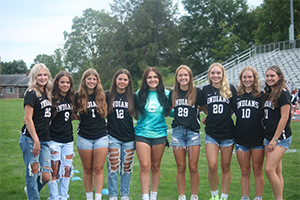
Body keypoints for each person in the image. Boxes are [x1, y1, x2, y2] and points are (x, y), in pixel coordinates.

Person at [200, 63, 236, 200]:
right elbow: (202, 105)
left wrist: (224, 116)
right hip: (211, 133)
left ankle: (224, 196)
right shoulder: (205, 89)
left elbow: (233, 108)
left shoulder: (230, 88)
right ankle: (214, 196)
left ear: (223, 74)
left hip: (227, 133)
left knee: (225, 167)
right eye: (213, 73)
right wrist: (208, 114)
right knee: (212, 165)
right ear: (209, 75)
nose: (215, 76)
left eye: (218, 73)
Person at [135, 67, 171, 200]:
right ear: (145, 80)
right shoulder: (140, 93)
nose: (152, 80)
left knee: (155, 167)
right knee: (145, 166)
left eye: (155, 77)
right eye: (149, 77)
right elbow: (135, 112)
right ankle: (145, 197)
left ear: (159, 79)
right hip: (142, 133)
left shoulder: (166, 94)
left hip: (159, 134)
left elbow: (171, 111)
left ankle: (153, 196)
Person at [169, 65, 204, 200]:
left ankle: (194, 195)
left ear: (190, 77)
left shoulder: (197, 92)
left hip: (192, 133)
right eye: (180, 75)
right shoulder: (173, 93)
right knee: (181, 167)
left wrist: (207, 116)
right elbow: (169, 110)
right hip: (177, 132)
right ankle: (181, 195)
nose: (183, 78)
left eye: (186, 75)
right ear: (177, 78)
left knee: (193, 167)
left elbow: (205, 107)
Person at [19, 63, 53, 200]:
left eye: (45, 75)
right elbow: (27, 119)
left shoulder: (47, 92)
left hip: (45, 139)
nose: (43, 77)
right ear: (34, 77)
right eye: (39, 75)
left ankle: (30, 191)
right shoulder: (31, 93)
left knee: (46, 176)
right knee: (33, 174)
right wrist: (36, 140)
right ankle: (33, 197)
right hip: (30, 139)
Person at [74, 68, 108, 200]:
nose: (91, 81)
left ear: (97, 81)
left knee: (98, 168)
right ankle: (89, 197)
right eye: (89, 78)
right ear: (84, 80)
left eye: (94, 79)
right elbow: (70, 111)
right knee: (87, 169)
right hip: (84, 137)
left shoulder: (102, 95)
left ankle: (98, 197)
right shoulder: (77, 96)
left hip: (101, 135)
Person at [233, 66, 265, 200]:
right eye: (244, 77)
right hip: (241, 138)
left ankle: (258, 197)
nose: (247, 80)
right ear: (241, 79)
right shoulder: (236, 96)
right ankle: (245, 197)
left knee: (257, 170)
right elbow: (228, 112)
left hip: (258, 138)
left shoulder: (262, 95)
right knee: (244, 171)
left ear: (254, 78)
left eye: (250, 77)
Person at [106, 69, 137, 200]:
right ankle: (113, 195)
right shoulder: (108, 95)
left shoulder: (133, 97)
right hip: (113, 135)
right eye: (120, 79)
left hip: (129, 137)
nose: (122, 82)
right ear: (115, 80)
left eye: (125, 79)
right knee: (113, 167)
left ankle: (125, 195)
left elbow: (139, 114)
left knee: (126, 167)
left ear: (128, 81)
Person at [263, 65, 292, 200]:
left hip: (280, 138)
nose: (269, 78)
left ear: (279, 77)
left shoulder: (283, 93)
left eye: (272, 76)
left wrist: (275, 139)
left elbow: (285, 117)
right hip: (268, 136)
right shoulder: (269, 92)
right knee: (276, 171)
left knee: (269, 170)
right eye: (267, 76)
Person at [47, 71, 75, 200]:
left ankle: (64, 196)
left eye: (67, 82)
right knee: (54, 169)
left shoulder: (72, 98)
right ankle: (54, 196)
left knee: (67, 169)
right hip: (54, 139)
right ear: (57, 82)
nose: (65, 85)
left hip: (68, 139)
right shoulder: (51, 98)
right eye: (62, 82)